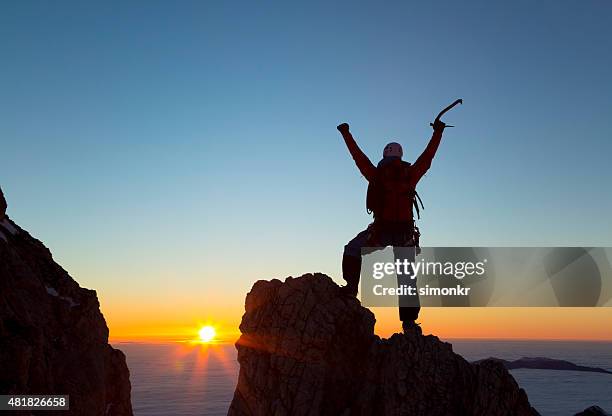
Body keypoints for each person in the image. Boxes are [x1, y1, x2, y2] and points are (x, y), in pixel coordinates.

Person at [337, 119, 447, 332]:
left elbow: (358, 157)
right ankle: (408, 322)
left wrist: (346, 134)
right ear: (400, 156)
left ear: (385, 157)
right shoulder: (411, 175)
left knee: (352, 249)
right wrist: (438, 132)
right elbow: (428, 156)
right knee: (406, 278)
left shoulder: (377, 175)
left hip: (381, 231)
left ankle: (351, 289)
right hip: (405, 233)